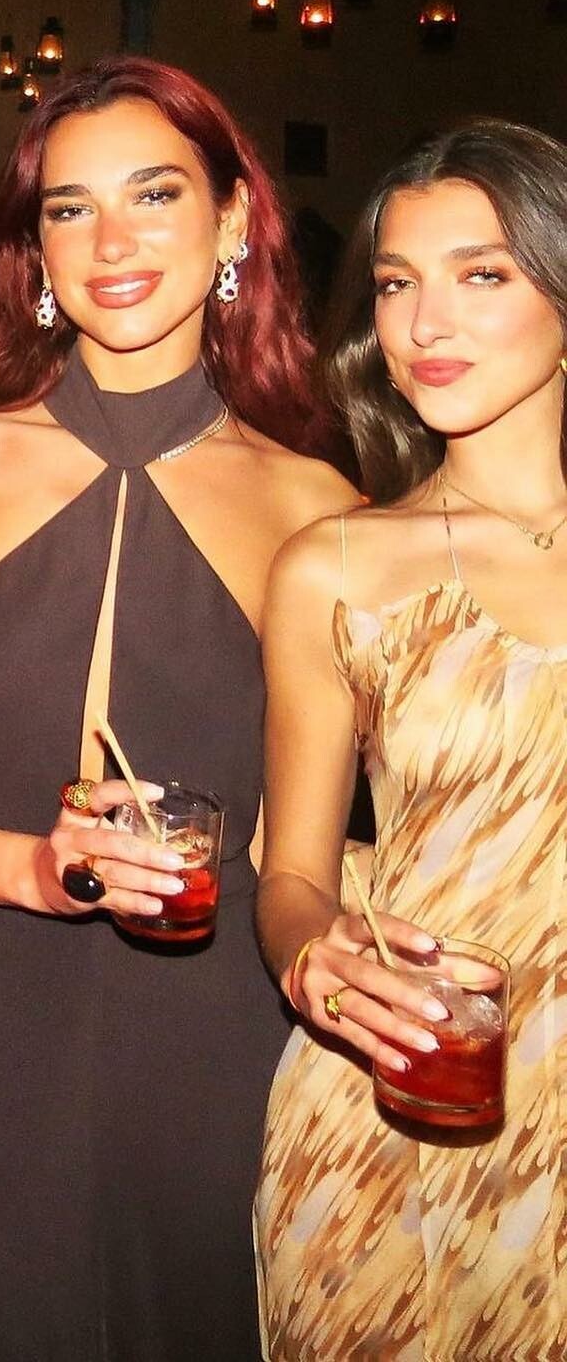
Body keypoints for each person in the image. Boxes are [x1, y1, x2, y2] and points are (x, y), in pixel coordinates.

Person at [0, 57, 355, 1362]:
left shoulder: (320, 513)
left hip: (220, 1061)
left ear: (233, 222)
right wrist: (26, 868)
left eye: (155, 194)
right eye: (70, 208)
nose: (112, 241)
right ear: (36, 251)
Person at [256, 119, 567, 1359]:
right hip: (395, 1109)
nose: (425, 322)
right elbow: (290, 874)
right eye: (396, 283)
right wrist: (315, 959)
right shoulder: (338, 564)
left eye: (481, 274)